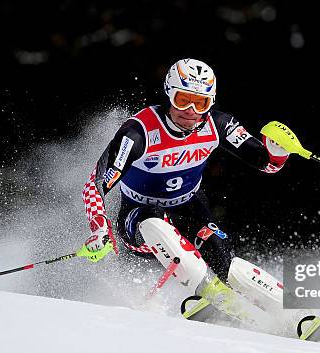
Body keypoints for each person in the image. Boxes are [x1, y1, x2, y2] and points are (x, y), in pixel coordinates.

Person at [81, 58, 298, 282]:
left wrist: (278, 151)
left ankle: (248, 299)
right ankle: (203, 287)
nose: (191, 111)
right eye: (183, 100)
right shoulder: (139, 132)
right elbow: (94, 185)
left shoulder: (218, 124)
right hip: (138, 221)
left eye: (201, 103)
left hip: (190, 210)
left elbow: (268, 165)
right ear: (168, 94)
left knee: (217, 247)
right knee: (154, 221)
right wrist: (99, 229)